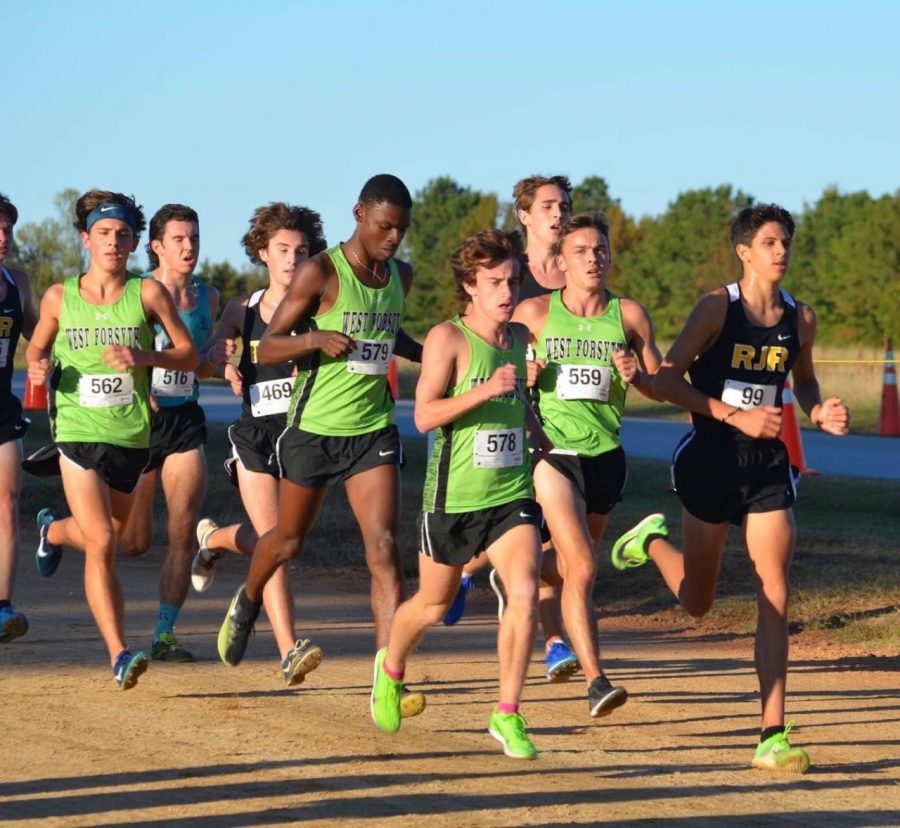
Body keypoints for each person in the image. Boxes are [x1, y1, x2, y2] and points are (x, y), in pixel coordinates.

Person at [610, 203, 849, 773]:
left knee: (776, 590)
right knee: (698, 602)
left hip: (768, 466)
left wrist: (821, 411)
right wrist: (730, 414)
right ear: (744, 252)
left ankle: (771, 732)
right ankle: (650, 544)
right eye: (769, 242)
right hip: (712, 462)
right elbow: (666, 381)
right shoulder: (718, 307)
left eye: (786, 241)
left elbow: (806, 382)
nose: (781, 251)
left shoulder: (801, 318)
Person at [216, 174, 419, 674]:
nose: (393, 239)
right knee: (287, 540)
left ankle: (387, 675)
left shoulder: (400, 277)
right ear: (359, 214)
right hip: (313, 431)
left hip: (372, 429)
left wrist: (442, 350)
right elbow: (268, 345)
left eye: (401, 230)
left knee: (385, 548)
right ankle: (247, 598)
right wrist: (315, 340)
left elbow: (392, 336)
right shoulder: (321, 274)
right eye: (384, 227)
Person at [370, 228, 549, 759]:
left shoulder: (518, 337)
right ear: (470, 285)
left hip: (510, 493)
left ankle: (507, 712)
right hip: (452, 498)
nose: (506, 291)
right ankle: (391, 668)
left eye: (513, 280)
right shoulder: (447, 339)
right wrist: (482, 391)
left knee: (523, 588)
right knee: (431, 602)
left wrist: (539, 438)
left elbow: (514, 405)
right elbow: (424, 416)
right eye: (494, 281)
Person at [27, 189, 197, 688]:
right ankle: (120, 653)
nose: (113, 242)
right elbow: (38, 343)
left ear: (133, 241)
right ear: (86, 239)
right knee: (101, 539)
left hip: (131, 436)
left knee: (115, 539)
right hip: (77, 431)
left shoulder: (148, 294)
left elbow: (187, 354)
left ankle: (53, 531)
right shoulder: (61, 296)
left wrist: (146, 358)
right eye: (104, 233)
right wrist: (37, 361)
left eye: (123, 234)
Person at [515, 211, 663, 717]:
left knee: (573, 568)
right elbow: (490, 364)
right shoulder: (534, 313)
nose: (593, 259)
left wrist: (637, 377)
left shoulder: (630, 316)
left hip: (606, 458)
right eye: (581, 251)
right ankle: (597, 679)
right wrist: (523, 372)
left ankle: (515, 565)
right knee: (581, 565)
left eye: (600, 250)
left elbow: (659, 383)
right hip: (552, 453)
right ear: (561, 261)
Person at [445, 174, 578, 684]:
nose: (558, 214)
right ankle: (553, 642)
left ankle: (474, 570)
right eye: (547, 205)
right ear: (524, 215)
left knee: (565, 545)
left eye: (564, 205)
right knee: (543, 532)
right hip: (517, 421)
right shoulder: (506, 272)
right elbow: (478, 339)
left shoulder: (578, 270)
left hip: (570, 423)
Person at [192, 202, 328, 686]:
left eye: (302, 250)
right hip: (255, 437)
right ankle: (290, 648)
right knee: (277, 543)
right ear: (263, 253)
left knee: (277, 542)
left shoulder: (319, 312)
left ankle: (211, 540)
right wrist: (223, 361)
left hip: (304, 440)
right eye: (283, 249)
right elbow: (206, 358)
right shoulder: (241, 310)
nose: (293, 258)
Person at [117, 204, 224, 663]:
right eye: (179, 240)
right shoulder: (137, 293)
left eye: (195, 239)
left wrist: (217, 358)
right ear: (156, 246)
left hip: (184, 421)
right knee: (133, 542)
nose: (189, 247)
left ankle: (163, 633)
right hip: (139, 423)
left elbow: (198, 365)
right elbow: (117, 355)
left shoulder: (210, 297)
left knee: (181, 530)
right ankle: (54, 529)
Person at [0, 193, 38, 643]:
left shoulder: (18, 283)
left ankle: (3, 607)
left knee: (7, 506)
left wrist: (47, 359)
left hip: (2, 409)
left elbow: (37, 336)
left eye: (8, 229)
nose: (4, 237)